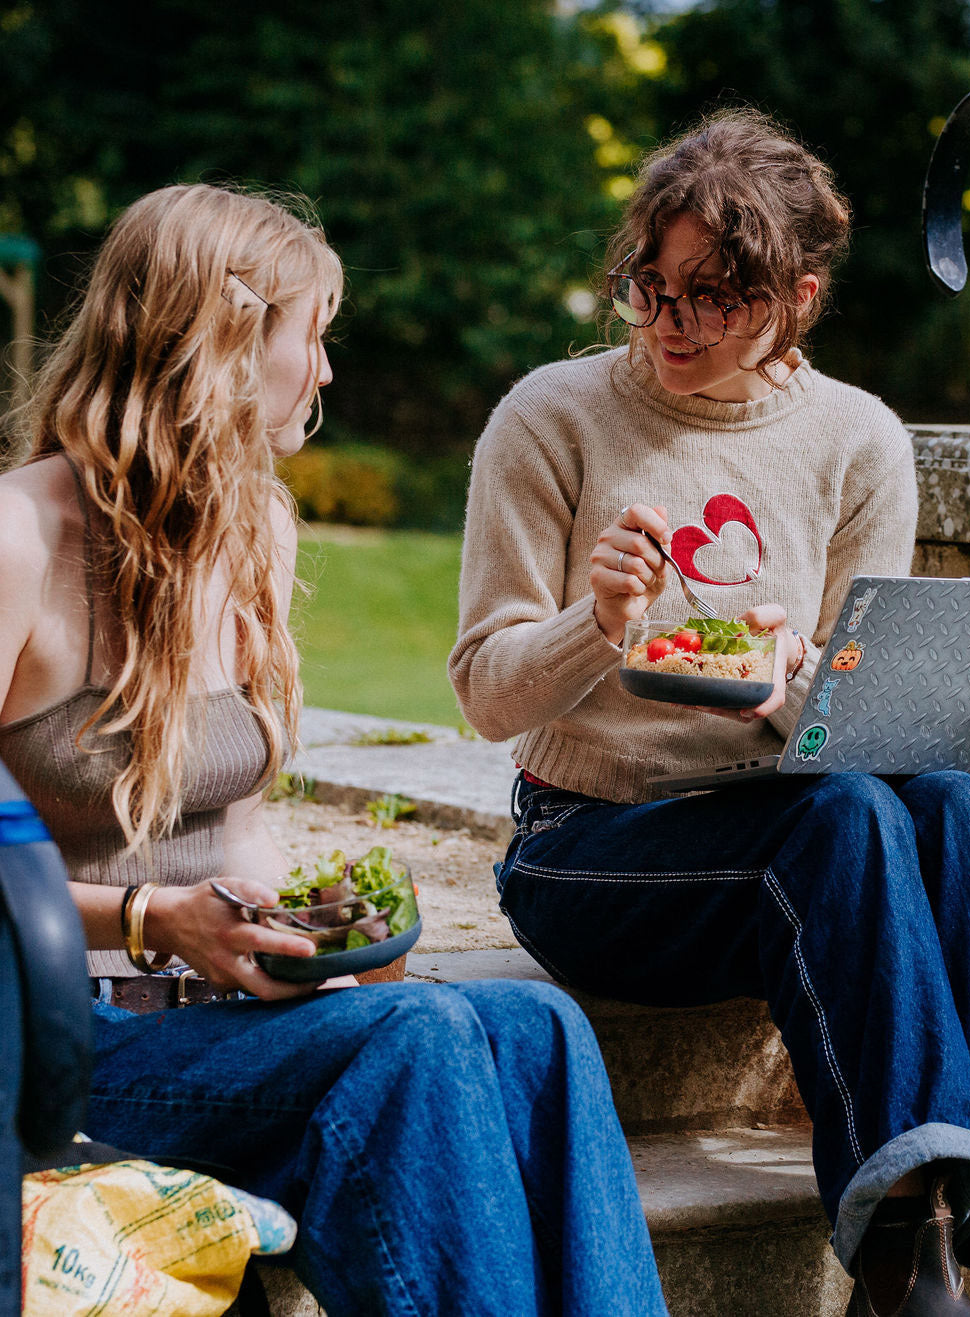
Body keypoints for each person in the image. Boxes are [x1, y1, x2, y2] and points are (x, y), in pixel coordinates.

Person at [449, 108, 970, 1317]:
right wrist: (594, 625)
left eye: (714, 297)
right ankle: (896, 1251)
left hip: (801, 824)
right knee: (849, 822)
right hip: (588, 847)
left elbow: (858, 726)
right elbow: (485, 694)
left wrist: (799, 686)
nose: (670, 325)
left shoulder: (856, 438)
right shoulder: (549, 417)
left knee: (953, 806)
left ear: (795, 298)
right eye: (650, 289)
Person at [0, 183, 668, 1317]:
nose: (323, 372)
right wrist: (158, 924)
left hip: (215, 1029)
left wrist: (316, 937)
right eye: (310, 338)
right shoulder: (21, 536)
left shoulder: (249, 528)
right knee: (414, 1045)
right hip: (62, 1042)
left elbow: (233, 827)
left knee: (534, 1029)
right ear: (218, 347)